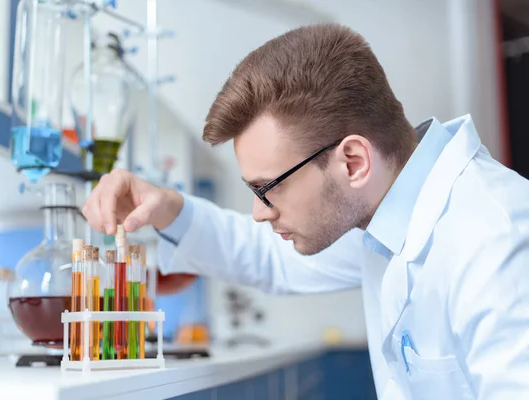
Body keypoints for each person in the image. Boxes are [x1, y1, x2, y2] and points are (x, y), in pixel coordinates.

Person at [82, 23, 529, 399]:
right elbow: (270, 258)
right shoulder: (385, 219)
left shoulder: (498, 241)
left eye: (266, 189)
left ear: (353, 162)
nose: (259, 213)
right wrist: (169, 209)